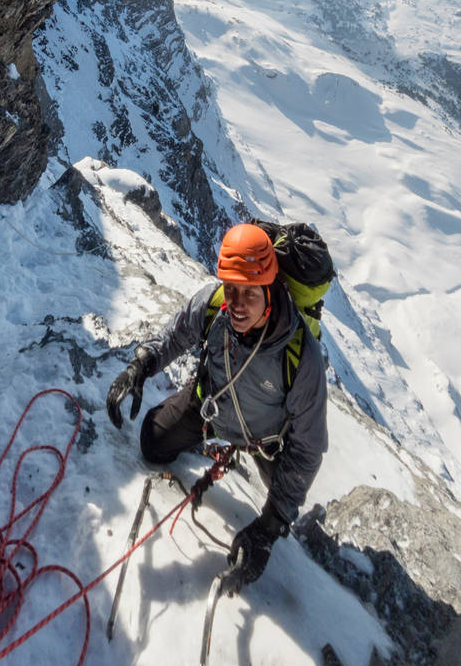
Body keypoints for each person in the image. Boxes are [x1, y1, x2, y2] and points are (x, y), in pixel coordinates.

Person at [106, 222, 328, 592]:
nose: (236, 305)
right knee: (152, 441)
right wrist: (139, 366)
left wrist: (269, 527)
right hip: (210, 407)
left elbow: (308, 449)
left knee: (284, 500)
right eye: (231, 289)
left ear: (270, 290)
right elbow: (173, 337)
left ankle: (259, 484)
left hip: (269, 439)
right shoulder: (214, 307)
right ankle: (216, 445)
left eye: (249, 294)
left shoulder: (301, 356)